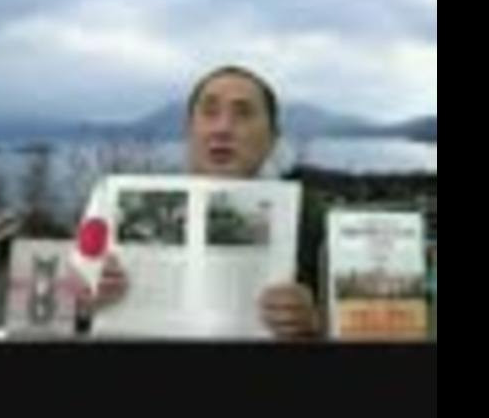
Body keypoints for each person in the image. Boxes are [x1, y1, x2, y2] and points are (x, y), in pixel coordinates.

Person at [74, 65, 327, 340]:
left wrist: (316, 323)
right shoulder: (115, 206)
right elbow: (64, 313)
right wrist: (81, 304)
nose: (222, 128)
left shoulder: (311, 219)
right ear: (190, 130)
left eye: (243, 113)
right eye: (209, 112)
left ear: (272, 139)